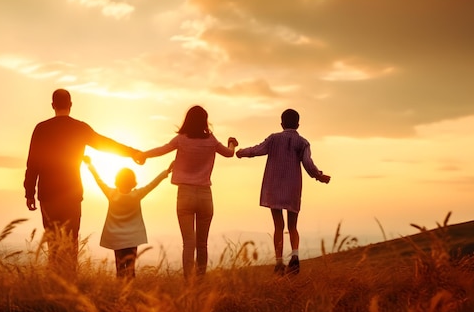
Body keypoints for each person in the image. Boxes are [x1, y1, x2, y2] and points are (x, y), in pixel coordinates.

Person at [24, 89, 142, 276]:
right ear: (70, 105)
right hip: (71, 194)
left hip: (47, 194)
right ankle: (70, 284)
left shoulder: (41, 128)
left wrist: (29, 192)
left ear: (53, 105)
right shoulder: (79, 128)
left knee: (53, 243)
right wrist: (132, 152)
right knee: (71, 242)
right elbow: (105, 144)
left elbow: (32, 163)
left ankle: (55, 284)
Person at [139, 105, 238, 280]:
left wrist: (142, 155)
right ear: (204, 121)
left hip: (184, 194)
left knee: (188, 244)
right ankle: (200, 282)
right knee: (202, 244)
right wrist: (232, 143)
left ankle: (189, 284)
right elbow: (229, 154)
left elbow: (161, 150)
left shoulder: (181, 139)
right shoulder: (211, 140)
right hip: (205, 196)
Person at [235, 108, 331, 275]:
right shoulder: (302, 142)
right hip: (292, 188)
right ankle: (294, 256)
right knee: (293, 226)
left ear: (281, 123)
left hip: (273, 188)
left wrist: (240, 153)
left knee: (278, 225)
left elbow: (257, 150)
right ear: (298, 124)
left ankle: (279, 263)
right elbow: (308, 164)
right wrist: (319, 176)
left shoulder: (273, 139)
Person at [83, 156, 173, 279]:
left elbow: (98, 180)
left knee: (119, 270)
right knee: (131, 270)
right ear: (133, 181)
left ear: (117, 180)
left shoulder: (111, 194)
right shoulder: (137, 194)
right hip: (132, 238)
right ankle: (130, 295)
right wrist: (166, 172)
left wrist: (90, 165)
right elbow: (153, 184)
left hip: (116, 238)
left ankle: (120, 296)